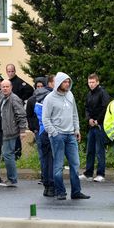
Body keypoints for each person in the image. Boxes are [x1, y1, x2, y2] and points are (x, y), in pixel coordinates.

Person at [42, 72, 90, 200]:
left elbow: (74, 114)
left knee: (75, 164)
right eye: (65, 82)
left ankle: (76, 191)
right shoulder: (49, 98)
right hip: (58, 135)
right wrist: (54, 133)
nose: (67, 84)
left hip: (71, 135)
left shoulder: (70, 95)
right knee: (58, 166)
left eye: (68, 82)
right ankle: (60, 192)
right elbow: (45, 119)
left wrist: (77, 129)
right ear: (58, 82)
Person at [0, 80, 28, 187]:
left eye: (7, 86)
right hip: (5, 131)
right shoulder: (3, 98)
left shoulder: (14, 99)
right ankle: (12, 178)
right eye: (3, 87)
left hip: (11, 131)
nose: (5, 88)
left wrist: (23, 131)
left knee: (7, 155)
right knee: (7, 155)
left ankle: (12, 179)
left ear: (11, 87)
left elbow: (21, 115)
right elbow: (0, 114)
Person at [81, 73, 111, 182]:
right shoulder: (89, 94)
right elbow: (87, 108)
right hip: (92, 125)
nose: (91, 84)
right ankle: (88, 173)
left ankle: (100, 174)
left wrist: (98, 120)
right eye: (89, 82)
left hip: (100, 125)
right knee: (90, 150)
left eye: (93, 82)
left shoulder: (103, 93)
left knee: (99, 150)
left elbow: (105, 107)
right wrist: (89, 119)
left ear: (97, 82)